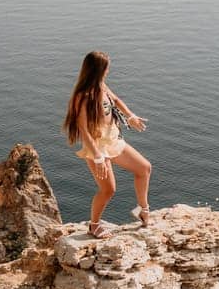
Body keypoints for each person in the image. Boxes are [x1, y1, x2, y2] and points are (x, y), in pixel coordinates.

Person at [62, 50, 152, 237]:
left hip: (112, 140)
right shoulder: (83, 96)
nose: (108, 71)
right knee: (108, 189)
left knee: (144, 168)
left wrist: (131, 116)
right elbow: (83, 129)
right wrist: (97, 156)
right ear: (98, 69)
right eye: (106, 67)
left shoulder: (101, 86)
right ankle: (94, 225)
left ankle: (143, 211)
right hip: (97, 147)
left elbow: (116, 100)